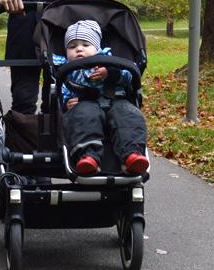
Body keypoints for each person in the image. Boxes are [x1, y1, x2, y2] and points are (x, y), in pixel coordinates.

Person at [52, 20, 149, 176]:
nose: (79, 49)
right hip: (84, 104)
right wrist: (66, 101)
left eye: (85, 45)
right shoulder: (66, 70)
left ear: (97, 48)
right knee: (83, 117)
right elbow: (62, 89)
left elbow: (130, 76)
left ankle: (132, 155)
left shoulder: (110, 61)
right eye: (72, 46)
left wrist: (110, 73)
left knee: (129, 116)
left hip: (117, 101)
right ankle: (88, 156)